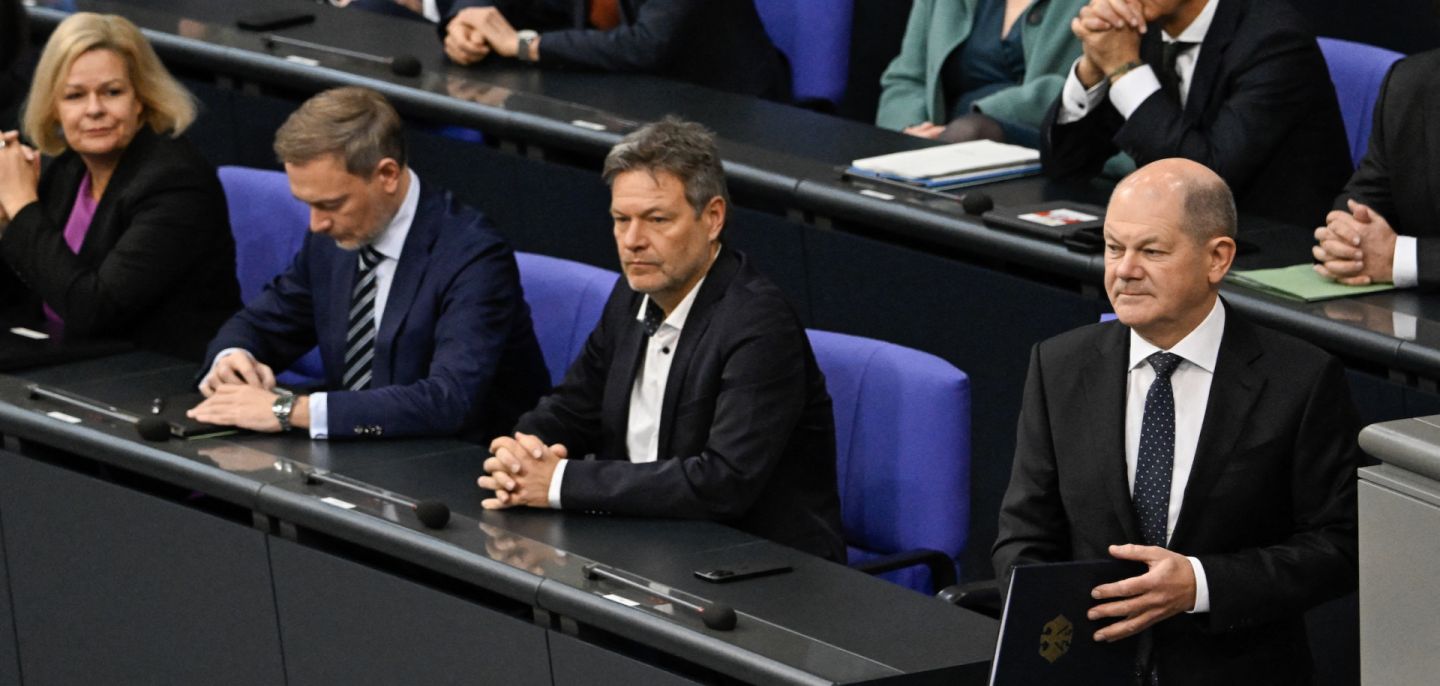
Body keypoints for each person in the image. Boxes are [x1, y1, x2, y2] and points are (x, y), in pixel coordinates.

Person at [993, 158, 1360, 685]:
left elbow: (1340, 545)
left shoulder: (1299, 380)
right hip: (1090, 665)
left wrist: (1201, 583)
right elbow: (1024, 533)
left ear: (1217, 258)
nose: (1123, 270)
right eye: (1114, 248)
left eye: (1152, 251)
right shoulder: (1059, 366)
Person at [476, 118, 845, 561]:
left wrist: (557, 482)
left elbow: (721, 483)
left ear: (712, 218)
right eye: (620, 220)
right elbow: (573, 406)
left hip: (752, 564)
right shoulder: (632, 295)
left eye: (656, 219)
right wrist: (521, 454)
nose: (632, 241)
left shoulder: (759, 324)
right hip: (643, 536)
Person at [188, 87, 549, 441]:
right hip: (360, 451)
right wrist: (233, 358)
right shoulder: (334, 233)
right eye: (307, 204)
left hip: (459, 461)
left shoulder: (473, 255)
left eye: (330, 204)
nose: (316, 224)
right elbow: (268, 321)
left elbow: (448, 400)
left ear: (387, 175)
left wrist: (287, 410)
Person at [0, 12, 240, 360]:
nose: (94, 110)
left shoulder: (175, 184)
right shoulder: (66, 167)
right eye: (74, 96)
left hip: (155, 370)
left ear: (141, 98)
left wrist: (22, 204)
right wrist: (5, 223)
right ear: (53, 107)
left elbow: (93, 309)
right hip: (69, 360)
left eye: (112, 92)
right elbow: (22, 297)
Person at [1041, 0, 1352, 227]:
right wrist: (1092, 68)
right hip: (1177, 237)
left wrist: (1123, 69)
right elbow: (1065, 165)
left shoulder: (1274, 40)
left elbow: (1205, 184)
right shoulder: (1141, 29)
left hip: (1270, 250)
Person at [438, 0, 790, 100]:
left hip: (719, 104)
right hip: (619, 93)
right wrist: (465, 22)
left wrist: (526, 45)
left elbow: (647, 44)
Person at [877, 0, 1088, 147]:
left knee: (971, 132)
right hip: (944, 143)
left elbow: (1093, 84)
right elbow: (907, 78)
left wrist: (977, 118)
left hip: (1051, 143)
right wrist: (911, 131)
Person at [1314, 48, 1440, 289]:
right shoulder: (1411, 82)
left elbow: (1391, 255)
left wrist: (1399, 258)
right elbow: (1364, 198)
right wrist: (1347, 242)